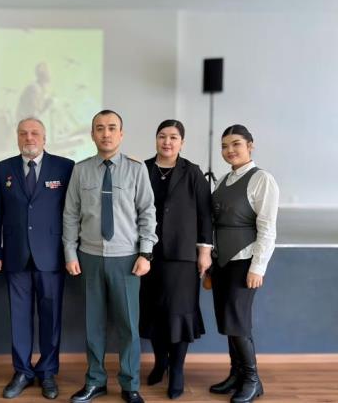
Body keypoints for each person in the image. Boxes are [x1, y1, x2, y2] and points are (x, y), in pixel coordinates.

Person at [62, 110, 157, 403]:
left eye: (112, 128)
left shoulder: (136, 169)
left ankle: (130, 385)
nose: (106, 133)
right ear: (92, 135)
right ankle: (95, 381)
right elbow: (71, 214)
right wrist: (69, 252)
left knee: (128, 325)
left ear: (121, 134)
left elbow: (147, 213)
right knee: (94, 324)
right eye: (100, 128)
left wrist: (146, 253)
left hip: (126, 259)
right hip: (89, 256)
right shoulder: (81, 170)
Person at [0, 118, 75, 400]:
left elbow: (73, 213)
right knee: (19, 318)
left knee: (51, 317)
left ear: (45, 138)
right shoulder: (3, 169)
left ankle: (47, 372)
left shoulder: (65, 167)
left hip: (52, 256)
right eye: (23, 133)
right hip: (15, 256)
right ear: (17, 138)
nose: (29, 137)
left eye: (35, 133)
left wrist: (72, 251)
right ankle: (22, 370)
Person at [139, 119, 213, 399]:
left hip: (182, 257)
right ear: (155, 140)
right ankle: (161, 362)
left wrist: (204, 251)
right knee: (154, 312)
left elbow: (206, 214)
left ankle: (178, 369)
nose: (167, 142)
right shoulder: (142, 169)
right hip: (147, 254)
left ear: (182, 142)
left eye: (173, 137)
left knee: (179, 314)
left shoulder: (192, 172)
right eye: (161, 136)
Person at [209, 125, 279, 403]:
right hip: (222, 261)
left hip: (244, 261)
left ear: (250, 145)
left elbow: (267, 228)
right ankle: (236, 374)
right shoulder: (224, 180)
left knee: (238, 322)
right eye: (224, 146)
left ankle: (252, 379)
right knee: (227, 321)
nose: (230, 150)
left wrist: (257, 267)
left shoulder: (262, 179)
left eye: (236, 144)